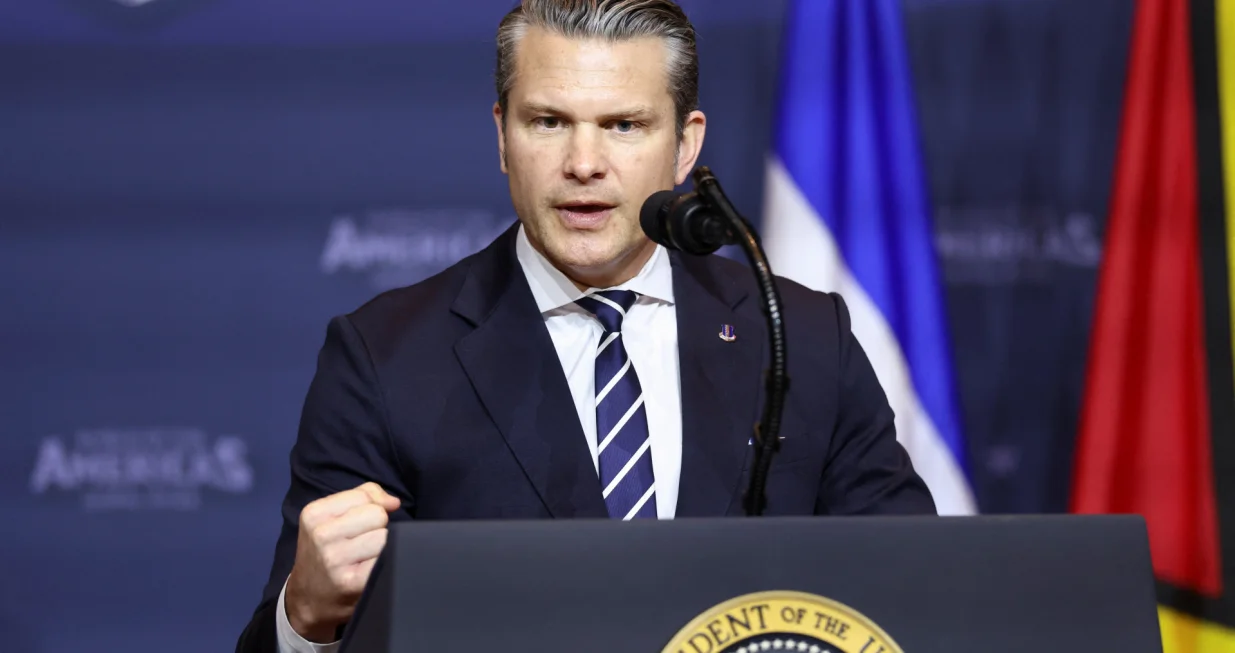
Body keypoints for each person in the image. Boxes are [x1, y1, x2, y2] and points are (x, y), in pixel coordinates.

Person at [235, 1, 936, 651]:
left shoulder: (802, 336)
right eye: (548, 122)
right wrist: (305, 613)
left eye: (623, 125)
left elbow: (911, 591)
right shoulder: (386, 356)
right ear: (502, 136)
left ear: (685, 145)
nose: (583, 164)